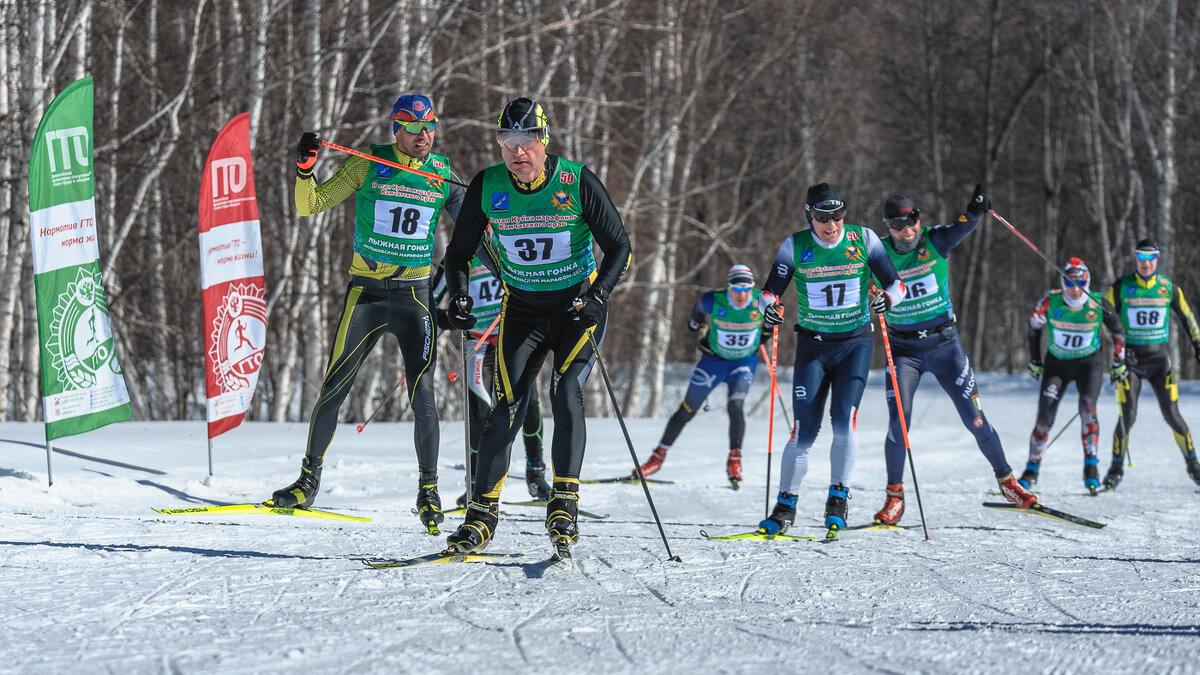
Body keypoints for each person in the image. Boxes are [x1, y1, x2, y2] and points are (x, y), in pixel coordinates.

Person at [440, 98, 632, 555]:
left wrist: (598, 295)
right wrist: (461, 295)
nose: (517, 153)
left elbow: (620, 247)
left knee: (565, 392)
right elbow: (458, 252)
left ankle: (563, 503)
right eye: (508, 142)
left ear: (543, 141)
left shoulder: (576, 180)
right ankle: (480, 517)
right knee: (505, 406)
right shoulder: (488, 186)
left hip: (575, 310)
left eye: (526, 142)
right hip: (522, 311)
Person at [271, 94, 465, 534]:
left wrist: (512, 275)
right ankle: (308, 482)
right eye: (414, 129)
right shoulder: (367, 163)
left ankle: (428, 491)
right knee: (333, 388)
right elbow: (310, 205)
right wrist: (305, 170)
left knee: (424, 396)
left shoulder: (443, 174)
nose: (423, 137)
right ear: (396, 128)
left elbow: (471, 232)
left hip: (416, 299)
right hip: (367, 295)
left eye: (430, 127)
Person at [872, 189, 1037, 524]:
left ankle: (1007, 481)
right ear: (888, 226)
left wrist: (975, 209)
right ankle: (894, 497)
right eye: (901, 224)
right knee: (898, 424)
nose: (910, 230)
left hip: (945, 346)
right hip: (904, 351)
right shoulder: (878, 254)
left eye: (913, 220)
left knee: (975, 418)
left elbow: (964, 226)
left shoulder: (934, 242)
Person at [757, 183, 906, 535]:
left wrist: (887, 299)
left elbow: (896, 286)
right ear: (809, 216)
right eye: (823, 217)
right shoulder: (796, 246)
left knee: (844, 421)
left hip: (854, 345)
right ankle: (784, 505)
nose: (832, 225)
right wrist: (770, 308)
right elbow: (768, 292)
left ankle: (838, 497)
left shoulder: (864, 239)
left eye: (838, 216)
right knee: (803, 431)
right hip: (813, 347)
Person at [431, 247, 552, 504]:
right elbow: (431, 303)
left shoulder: (507, 240)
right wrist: (454, 318)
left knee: (528, 403)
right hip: (478, 344)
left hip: (513, 339)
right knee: (480, 413)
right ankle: (476, 484)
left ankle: (536, 475)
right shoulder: (458, 254)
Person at [634, 264, 772, 488]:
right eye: (736, 289)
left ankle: (734, 461)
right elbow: (695, 318)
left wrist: (763, 336)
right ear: (728, 288)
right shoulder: (713, 299)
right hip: (713, 362)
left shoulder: (762, 301)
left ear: (752, 289)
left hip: (742, 362)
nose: (741, 294)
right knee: (687, 410)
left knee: (736, 406)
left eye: (746, 289)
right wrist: (698, 326)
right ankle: (656, 458)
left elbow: (771, 324)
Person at [1022, 257, 1126, 492]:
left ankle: (1091, 467)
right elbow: (1033, 328)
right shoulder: (1050, 302)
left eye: (1081, 282)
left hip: (1089, 364)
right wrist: (1036, 360)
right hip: (1057, 365)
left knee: (1087, 407)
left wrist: (1119, 363)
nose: (1075, 289)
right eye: (1070, 283)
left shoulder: (1098, 304)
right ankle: (1031, 470)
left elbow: (1118, 331)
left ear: (1087, 282)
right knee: (1045, 416)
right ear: (1063, 283)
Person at [1102, 239, 1200, 488]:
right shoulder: (1121, 286)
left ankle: (1194, 466)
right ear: (1135, 259)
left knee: (1173, 416)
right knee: (1128, 416)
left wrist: (1197, 344)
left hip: (1159, 363)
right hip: (1131, 364)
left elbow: (1188, 318)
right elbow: (1104, 319)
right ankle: (1115, 470)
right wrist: (1119, 351)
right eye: (1141, 258)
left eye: (1151, 258)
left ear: (1157, 259)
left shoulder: (1168, 287)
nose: (1146, 264)